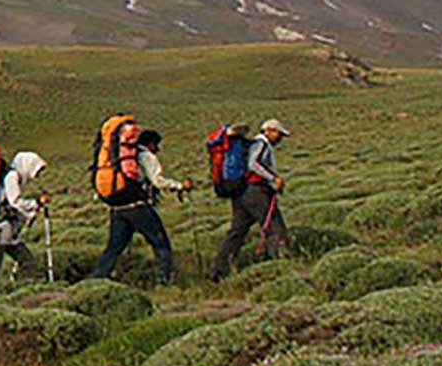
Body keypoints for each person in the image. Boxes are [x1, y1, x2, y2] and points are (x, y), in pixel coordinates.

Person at [88, 129, 192, 286]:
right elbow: (157, 180)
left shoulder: (119, 157)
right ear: (151, 144)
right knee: (160, 243)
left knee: (113, 249)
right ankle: (165, 282)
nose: (158, 149)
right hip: (138, 208)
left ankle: (96, 281)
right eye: (156, 145)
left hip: (117, 209)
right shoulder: (144, 155)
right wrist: (179, 186)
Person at [211, 119, 292, 280]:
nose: (280, 138)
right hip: (255, 192)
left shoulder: (250, 145)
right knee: (275, 228)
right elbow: (252, 164)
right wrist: (273, 179)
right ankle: (281, 268)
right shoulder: (260, 144)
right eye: (278, 134)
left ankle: (219, 271)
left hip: (241, 193)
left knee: (237, 232)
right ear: (268, 130)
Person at [0, 152, 49, 280]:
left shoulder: (17, 178)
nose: (37, 175)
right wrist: (36, 202)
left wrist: (32, 211)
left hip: (9, 232)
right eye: (37, 170)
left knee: (28, 262)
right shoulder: (12, 177)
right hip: (0, 231)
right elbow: (15, 202)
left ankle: (21, 287)